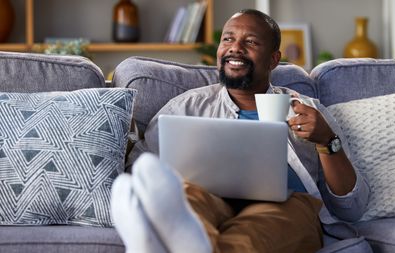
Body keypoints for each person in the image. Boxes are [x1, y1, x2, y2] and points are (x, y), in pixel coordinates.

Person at [111, 9, 370, 253]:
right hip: (208, 199)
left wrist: (327, 141)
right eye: (228, 39)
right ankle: (181, 234)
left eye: (251, 42)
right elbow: (140, 168)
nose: (235, 47)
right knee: (186, 197)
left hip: (284, 206)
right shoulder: (185, 107)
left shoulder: (308, 110)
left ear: (273, 59)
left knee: (260, 231)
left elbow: (352, 207)